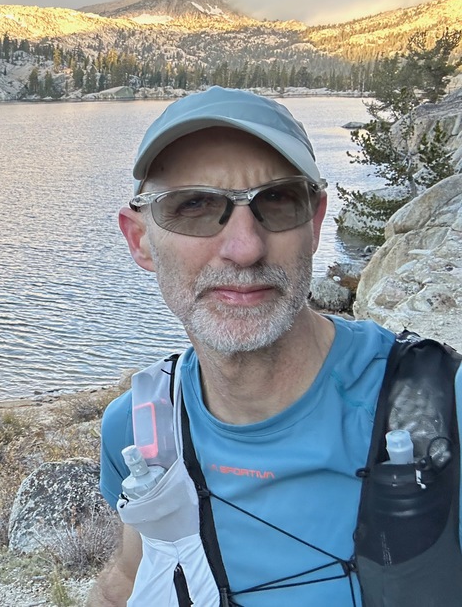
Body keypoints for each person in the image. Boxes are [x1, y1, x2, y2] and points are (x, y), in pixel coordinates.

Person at [88, 86, 462, 606]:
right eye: (193, 205)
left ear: (313, 224)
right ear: (139, 240)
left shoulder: (444, 403)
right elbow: (129, 577)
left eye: (277, 201)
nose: (244, 248)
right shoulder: (141, 426)